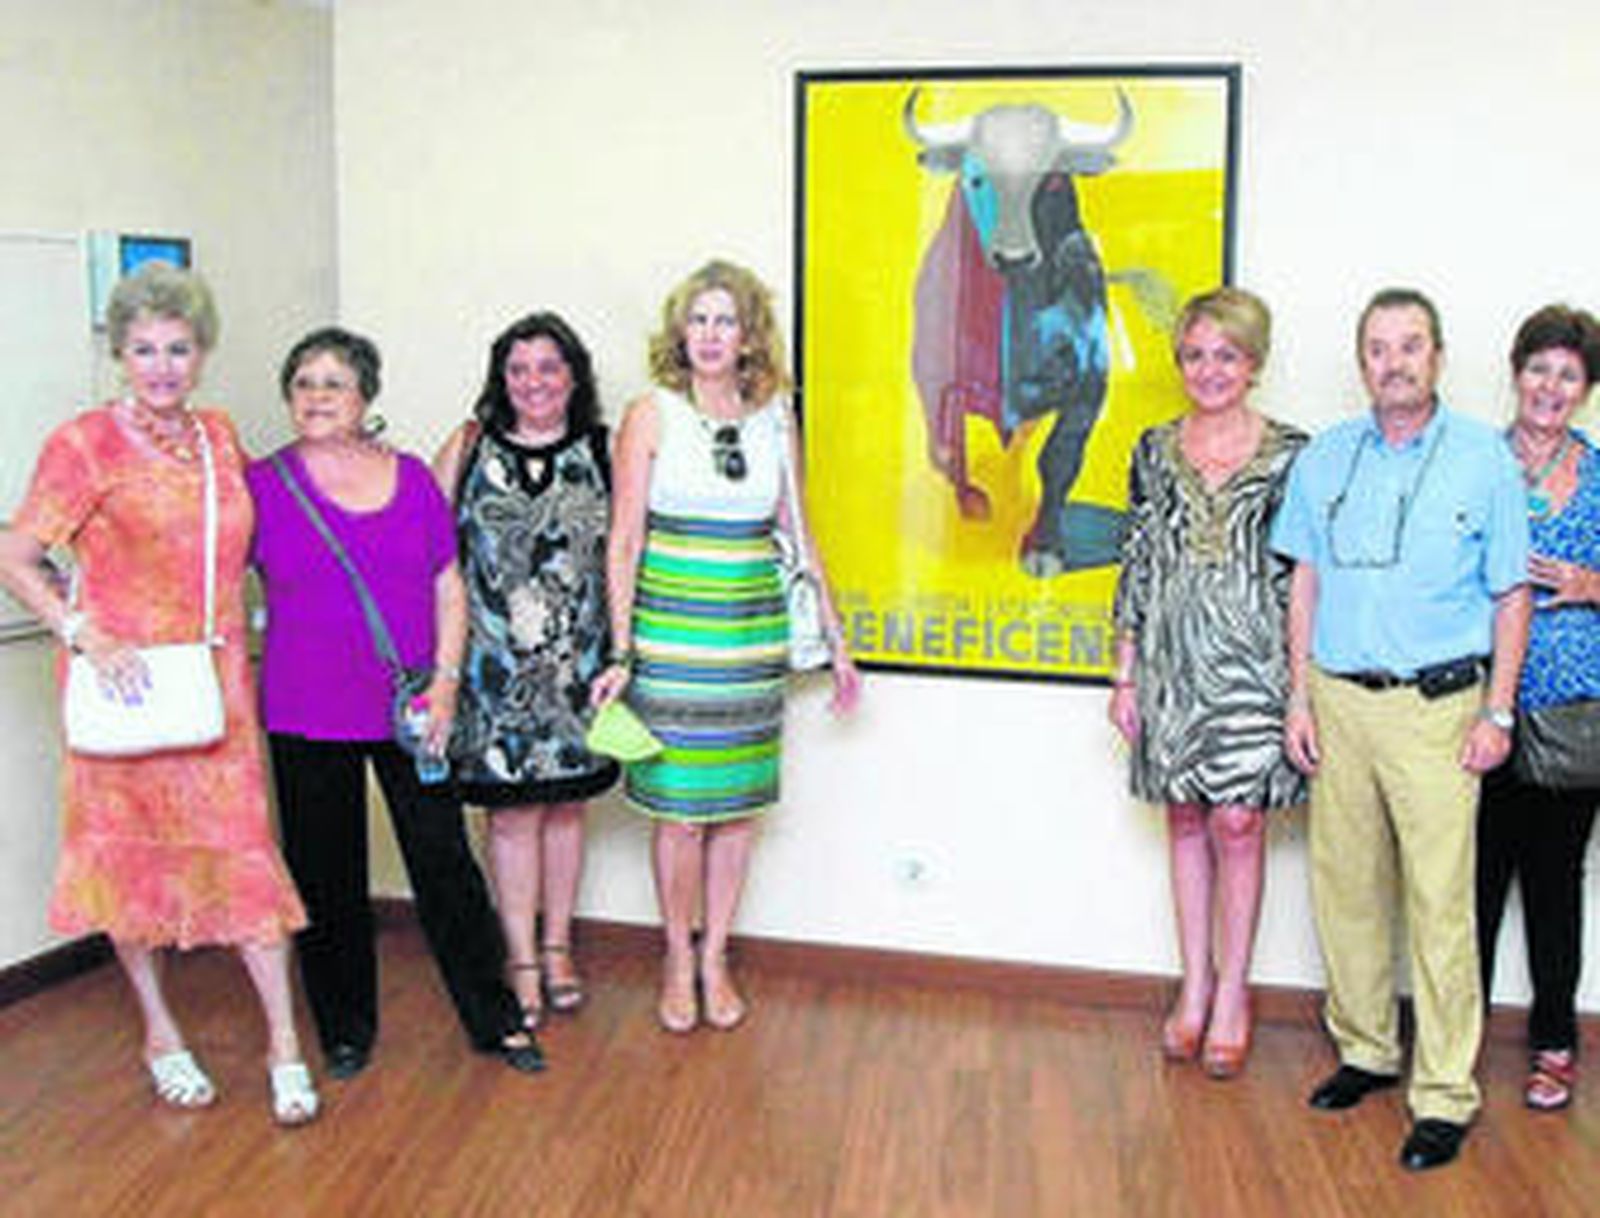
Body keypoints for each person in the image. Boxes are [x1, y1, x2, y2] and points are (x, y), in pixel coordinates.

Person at [0, 263, 318, 1125]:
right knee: (128, 865)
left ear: (202, 351)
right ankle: (159, 1032)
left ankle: (283, 1042)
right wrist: (81, 630)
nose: (162, 365)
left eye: (178, 348)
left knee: (247, 856)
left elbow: (266, 538)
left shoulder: (217, 437)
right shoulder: (83, 444)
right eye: (144, 349)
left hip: (216, 683)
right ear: (120, 353)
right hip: (126, 689)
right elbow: (17, 552)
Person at [1271, 287, 1531, 1171]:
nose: (1394, 361)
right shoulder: (1328, 457)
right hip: (1338, 701)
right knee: (1345, 890)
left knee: (1439, 903)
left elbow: (1512, 592)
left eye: (1410, 346)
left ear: (1438, 356)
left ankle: (1446, 1095)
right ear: (1362, 362)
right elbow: (1302, 577)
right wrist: (1298, 696)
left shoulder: (1482, 462)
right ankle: (1367, 1051)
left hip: (1439, 712)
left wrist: (1498, 709)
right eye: (1378, 348)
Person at [247, 326, 542, 1079]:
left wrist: (445, 686)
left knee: (444, 865)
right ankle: (345, 1029)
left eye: (333, 383)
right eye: (303, 383)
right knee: (325, 872)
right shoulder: (262, 484)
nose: (316, 396)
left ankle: (496, 1020)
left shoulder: (411, 477)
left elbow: (449, 586)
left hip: (411, 711)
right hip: (302, 707)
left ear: (365, 397)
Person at [593, 260, 861, 1033]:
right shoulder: (653, 413)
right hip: (670, 639)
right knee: (678, 814)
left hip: (750, 641)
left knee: (737, 812)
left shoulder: (777, 415)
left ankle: (717, 959)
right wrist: (620, 652)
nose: (711, 335)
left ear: (749, 337)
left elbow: (800, 534)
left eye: (727, 321)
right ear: (682, 331)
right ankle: (677, 957)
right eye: (699, 320)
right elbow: (624, 540)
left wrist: (838, 648)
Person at [1110, 287, 1306, 1079]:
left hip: (1257, 664)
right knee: (1185, 817)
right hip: (1170, 661)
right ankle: (1192, 986)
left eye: (1226, 355)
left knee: (1238, 823)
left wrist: (1302, 687)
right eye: (1194, 354)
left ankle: (1235, 993)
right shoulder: (1154, 448)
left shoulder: (1297, 452)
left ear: (1253, 363)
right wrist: (1124, 674)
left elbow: (1306, 578)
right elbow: (1138, 560)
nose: (1209, 369)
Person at [434, 313, 619, 1029]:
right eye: (519, 369)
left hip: (579, 668)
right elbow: (429, 548)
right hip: (492, 673)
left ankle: (558, 945)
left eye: (548, 367)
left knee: (567, 808)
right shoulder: (470, 444)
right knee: (511, 816)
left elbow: (628, 551)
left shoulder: (603, 449)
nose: (534, 382)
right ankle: (518, 958)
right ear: (500, 377)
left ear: (574, 375)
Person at [1476, 304, 1600, 1112]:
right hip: (1472, 708)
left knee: (1554, 884)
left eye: (1569, 374)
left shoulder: (1599, 473)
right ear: (1516, 373)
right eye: (1539, 368)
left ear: (1585, 391)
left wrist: (1591, 585)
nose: (1550, 386)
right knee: (1467, 885)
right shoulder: (1470, 461)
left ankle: (1554, 1040)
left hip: (1572, 714)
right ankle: (1454, 1041)